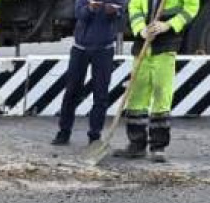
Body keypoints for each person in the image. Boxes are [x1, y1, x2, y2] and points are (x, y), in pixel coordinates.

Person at [114, 0, 199, 162]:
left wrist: (169, 25)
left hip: (166, 46)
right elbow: (134, 7)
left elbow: (192, 7)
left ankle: (158, 147)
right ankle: (136, 144)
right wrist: (141, 30)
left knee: (162, 94)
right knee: (136, 96)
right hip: (142, 47)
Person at [52, 0, 126, 146]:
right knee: (72, 91)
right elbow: (79, 14)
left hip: (104, 49)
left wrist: (114, 12)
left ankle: (94, 136)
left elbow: (122, 15)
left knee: (101, 94)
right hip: (80, 48)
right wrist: (91, 8)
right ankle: (64, 132)